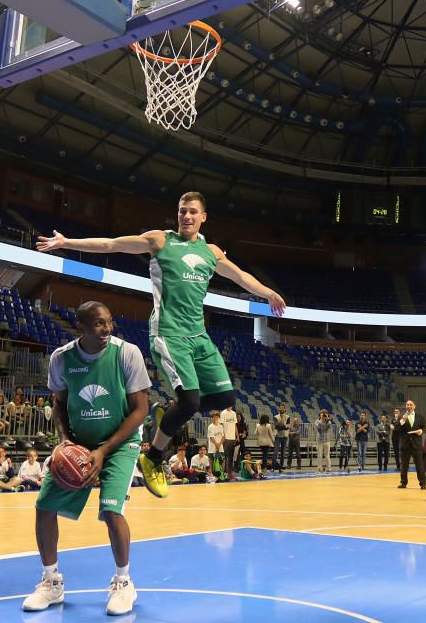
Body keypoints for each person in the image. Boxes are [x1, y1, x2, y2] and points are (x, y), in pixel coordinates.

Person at [37, 191, 285, 500]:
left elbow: (241, 277)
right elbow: (113, 244)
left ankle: (167, 412)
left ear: (203, 217)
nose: (187, 216)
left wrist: (267, 293)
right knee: (192, 402)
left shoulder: (212, 252)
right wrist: (67, 243)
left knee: (224, 397)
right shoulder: (161, 241)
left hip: (199, 337)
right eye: (182, 211)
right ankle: (153, 456)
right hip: (168, 334)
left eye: (193, 212)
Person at [22, 301, 151, 616]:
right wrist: (65, 441)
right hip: (79, 443)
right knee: (44, 507)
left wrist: (103, 451)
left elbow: (141, 410)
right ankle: (51, 582)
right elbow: (59, 405)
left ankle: (123, 582)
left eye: (109, 322)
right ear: (80, 326)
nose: (106, 330)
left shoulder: (127, 353)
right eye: (98, 324)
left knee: (111, 510)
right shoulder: (62, 358)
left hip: (119, 444)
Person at [397, 400, 426, 489]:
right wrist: (403, 420)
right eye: (407, 405)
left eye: (411, 405)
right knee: (404, 466)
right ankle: (403, 483)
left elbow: (424, 427)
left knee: (419, 465)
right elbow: (397, 427)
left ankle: (422, 483)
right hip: (405, 445)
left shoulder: (420, 417)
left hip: (416, 445)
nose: (409, 406)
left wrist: (420, 431)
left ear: (414, 406)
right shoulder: (401, 417)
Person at [220, 405, 238, 479]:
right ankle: (222, 473)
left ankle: (229, 473)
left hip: (232, 438)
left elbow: (234, 425)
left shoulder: (234, 413)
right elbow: (221, 425)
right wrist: (222, 436)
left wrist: (237, 435)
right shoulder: (223, 413)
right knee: (223, 456)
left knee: (230, 456)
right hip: (225, 438)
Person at [273, 403, 290, 473]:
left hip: (285, 437)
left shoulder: (288, 417)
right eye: (280, 408)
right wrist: (285, 427)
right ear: (279, 409)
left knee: (283, 453)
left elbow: (288, 426)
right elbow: (277, 426)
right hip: (277, 436)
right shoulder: (275, 417)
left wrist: (283, 426)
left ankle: (280, 468)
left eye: (283, 408)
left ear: (285, 409)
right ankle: (273, 468)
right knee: (275, 453)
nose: (281, 409)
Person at [390, 407, 403, 472]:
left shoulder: (401, 419)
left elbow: (399, 426)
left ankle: (403, 466)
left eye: (397, 412)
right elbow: (392, 428)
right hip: (394, 437)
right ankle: (398, 466)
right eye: (395, 412)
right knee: (396, 452)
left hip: (400, 437)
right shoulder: (392, 420)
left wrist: (394, 426)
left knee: (401, 452)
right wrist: (394, 426)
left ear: (399, 412)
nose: (396, 413)